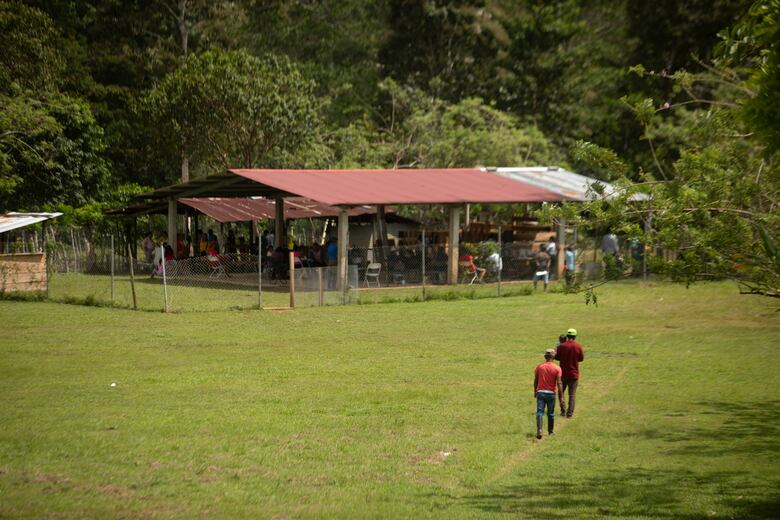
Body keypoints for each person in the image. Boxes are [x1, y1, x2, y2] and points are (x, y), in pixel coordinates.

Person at [534, 348, 564, 439]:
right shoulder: (557, 368)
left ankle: (539, 430)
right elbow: (559, 383)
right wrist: (561, 396)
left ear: (545, 357)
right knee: (550, 413)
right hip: (551, 394)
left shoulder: (540, 367)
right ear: (554, 357)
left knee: (540, 412)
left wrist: (535, 391)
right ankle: (550, 431)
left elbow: (536, 380)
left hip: (540, 393)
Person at [555, 328, 585, 418]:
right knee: (572, 395)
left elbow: (556, 357)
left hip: (562, 374)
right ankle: (569, 414)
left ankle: (563, 410)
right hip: (574, 374)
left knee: (561, 393)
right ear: (575, 336)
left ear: (567, 336)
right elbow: (581, 359)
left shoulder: (562, 346)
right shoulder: (578, 346)